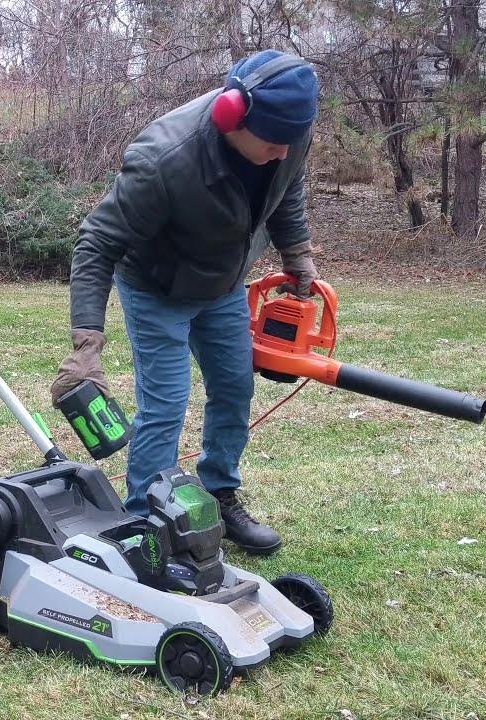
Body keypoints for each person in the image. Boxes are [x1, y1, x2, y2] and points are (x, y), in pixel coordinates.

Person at [50, 50, 320, 557]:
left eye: (292, 141)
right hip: (158, 288)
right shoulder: (164, 159)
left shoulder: (288, 136)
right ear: (232, 116)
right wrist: (86, 343)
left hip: (222, 285)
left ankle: (218, 493)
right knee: (166, 404)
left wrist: (297, 254)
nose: (284, 152)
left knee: (234, 389)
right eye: (273, 142)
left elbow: (287, 189)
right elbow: (96, 242)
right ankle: (146, 521)